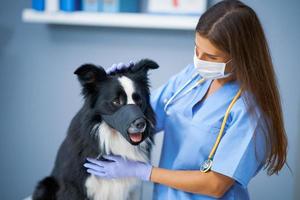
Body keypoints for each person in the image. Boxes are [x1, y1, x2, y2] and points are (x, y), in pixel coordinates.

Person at [83, 0, 288, 199]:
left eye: (212, 57)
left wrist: (145, 172)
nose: (200, 60)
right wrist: (121, 87)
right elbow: (141, 121)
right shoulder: (192, 78)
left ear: (241, 56)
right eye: (197, 49)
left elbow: (215, 185)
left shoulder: (251, 112)